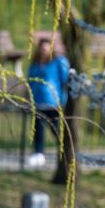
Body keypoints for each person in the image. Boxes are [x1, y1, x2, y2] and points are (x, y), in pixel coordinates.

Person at [26, 38, 70, 167]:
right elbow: (30, 82)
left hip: (53, 102)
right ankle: (39, 153)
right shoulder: (35, 64)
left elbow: (65, 81)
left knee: (56, 128)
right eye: (42, 48)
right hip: (38, 101)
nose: (44, 51)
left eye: (46, 48)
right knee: (38, 129)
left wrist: (63, 100)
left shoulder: (58, 63)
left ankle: (63, 151)